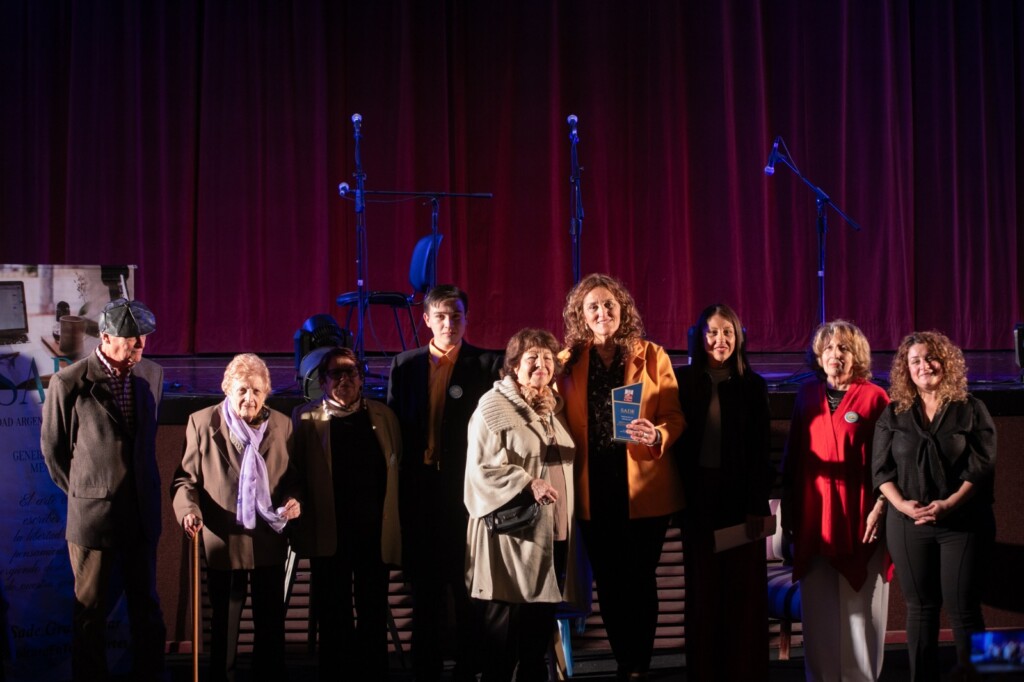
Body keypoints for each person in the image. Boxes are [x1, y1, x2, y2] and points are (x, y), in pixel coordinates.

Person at [557, 273, 685, 681]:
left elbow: (674, 416)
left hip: (644, 488)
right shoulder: (567, 361)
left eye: (609, 304)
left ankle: (638, 666)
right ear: (581, 315)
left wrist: (657, 433)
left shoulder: (652, 355)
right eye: (592, 306)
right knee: (609, 584)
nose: (602, 312)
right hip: (592, 487)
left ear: (622, 309)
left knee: (640, 580)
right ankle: (624, 662)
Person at [41, 297, 166, 681]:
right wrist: (87, 492)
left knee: (146, 608)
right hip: (94, 518)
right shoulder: (69, 382)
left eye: (143, 337)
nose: (140, 346)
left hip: (141, 513)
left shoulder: (151, 375)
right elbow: (54, 452)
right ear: (107, 337)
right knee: (90, 612)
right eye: (131, 339)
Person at [386, 284, 502, 681]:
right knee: (425, 593)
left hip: (467, 495)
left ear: (467, 318)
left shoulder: (487, 364)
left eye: (456, 316)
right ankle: (427, 670)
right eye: (440, 316)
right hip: (419, 495)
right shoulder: (404, 365)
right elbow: (395, 431)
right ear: (426, 320)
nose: (448, 323)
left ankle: (469, 669)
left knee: (468, 589)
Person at [873, 331, 996, 681]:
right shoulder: (894, 413)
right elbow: (881, 471)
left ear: (946, 362)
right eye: (915, 361)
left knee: (965, 610)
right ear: (906, 369)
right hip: (907, 524)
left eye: (930, 358)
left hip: (964, 523)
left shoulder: (971, 408)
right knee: (920, 609)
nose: (924, 366)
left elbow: (982, 466)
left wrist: (950, 503)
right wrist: (902, 505)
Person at [170, 353, 301, 682]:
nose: (249, 398)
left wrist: (293, 500)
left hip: (269, 539)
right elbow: (185, 480)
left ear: (266, 393)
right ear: (227, 388)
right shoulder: (202, 423)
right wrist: (189, 511)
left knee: (270, 625)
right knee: (225, 627)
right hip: (224, 539)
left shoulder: (283, 426)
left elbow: (293, 478)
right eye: (242, 390)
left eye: (257, 391)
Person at [464, 328, 580, 682]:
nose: (541, 364)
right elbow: (481, 470)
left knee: (538, 623)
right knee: (506, 623)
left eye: (547, 358)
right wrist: (527, 482)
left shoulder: (552, 407)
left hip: (553, 530)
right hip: (512, 533)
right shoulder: (493, 407)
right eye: (532, 358)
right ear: (514, 365)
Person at [782, 320, 891, 682]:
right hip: (814, 519)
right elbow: (793, 458)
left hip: (861, 520)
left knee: (862, 612)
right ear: (818, 356)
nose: (835, 354)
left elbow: (891, 462)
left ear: (857, 355)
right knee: (819, 614)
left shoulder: (875, 398)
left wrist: (880, 508)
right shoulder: (806, 396)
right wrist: (789, 516)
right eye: (828, 348)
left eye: (843, 348)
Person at [673, 303, 773, 681]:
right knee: (703, 595)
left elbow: (760, 452)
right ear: (700, 337)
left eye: (728, 332)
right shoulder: (682, 382)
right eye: (712, 332)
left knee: (741, 596)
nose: (720, 340)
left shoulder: (753, 386)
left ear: (739, 337)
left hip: (741, 503)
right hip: (698, 503)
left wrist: (756, 504)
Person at [291, 346, 402, 679]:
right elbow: (294, 473)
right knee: (333, 616)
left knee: (373, 613)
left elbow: (397, 466)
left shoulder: (383, 416)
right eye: (336, 374)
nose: (344, 380)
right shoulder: (305, 418)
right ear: (323, 382)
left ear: (361, 378)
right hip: (329, 533)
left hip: (373, 534)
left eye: (350, 372)